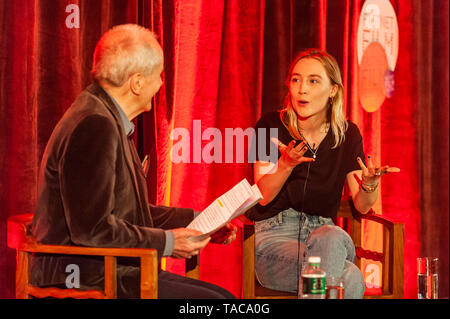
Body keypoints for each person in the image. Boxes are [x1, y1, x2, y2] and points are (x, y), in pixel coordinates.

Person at [31, 24, 236, 299]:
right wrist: (168, 243)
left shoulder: (107, 117)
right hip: (90, 280)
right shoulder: (95, 125)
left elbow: (130, 212)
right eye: (159, 75)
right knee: (218, 302)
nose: (161, 84)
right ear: (137, 82)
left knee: (224, 297)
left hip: (117, 269)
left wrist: (200, 220)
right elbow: (92, 229)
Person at [247, 49, 400, 298]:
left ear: (333, 90)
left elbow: (362, 206)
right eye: (296, 80)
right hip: (275, 240)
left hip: (327, 237)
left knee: (329, 236)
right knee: (351, 277)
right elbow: (262, 195)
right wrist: (285, 164)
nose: (302, 89)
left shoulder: (347, 135)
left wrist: (369, 184)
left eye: (313, 81)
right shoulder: (270, 125)